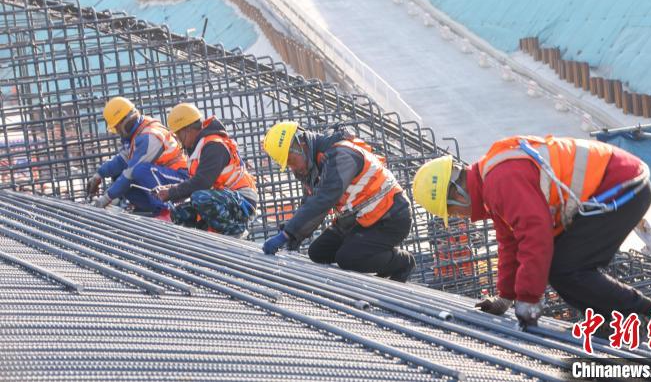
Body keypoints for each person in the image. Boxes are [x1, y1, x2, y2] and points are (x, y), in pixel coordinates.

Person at [412, 135, 651, 328]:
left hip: (623, 187)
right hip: (615, 185)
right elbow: (510, 243)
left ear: (457, 193)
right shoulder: (491, 185)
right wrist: (507, 297)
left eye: (454, 212)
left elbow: (536, 236)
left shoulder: (501, 182)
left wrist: (529, 298)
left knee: (566, 268)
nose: (461, 218)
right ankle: (610, 323)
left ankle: (649, 313)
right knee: (561, 267)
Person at [260, 121, 415, 282]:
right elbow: (310, 203)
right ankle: (368, 253)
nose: (293, 168)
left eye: (291, 160)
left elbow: (324, 199)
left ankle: (402, 262)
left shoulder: (341, 155)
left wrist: (287, 234)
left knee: (347, 258)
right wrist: (293, 238)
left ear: (302, 145)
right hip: (360, 219)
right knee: (318, 252)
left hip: (390, 217)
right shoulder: (314, 164)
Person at [153, 103, 257, 237]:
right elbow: (197, 184)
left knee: (200, 198)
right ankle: (201, 240)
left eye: (178, 135)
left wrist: (171, 191)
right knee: (180, 211)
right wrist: (170, 190)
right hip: (224, 198)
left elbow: (202, 182)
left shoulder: (213, 145)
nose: (178, 140)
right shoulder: (199, 147)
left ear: (187, 130)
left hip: (243, 200)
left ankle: (235, 231)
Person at [87, 97, 188, 216]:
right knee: (121, 176)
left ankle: (166, 212)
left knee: (139, 171)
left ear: (125, 122)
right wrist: (99, 175)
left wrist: (105, 199)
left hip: (179, 180)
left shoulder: (149, 137)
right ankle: (152, 210)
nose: (117, 131)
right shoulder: (137, 133)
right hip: (162, 178)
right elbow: (121, 160)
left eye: (117, 127)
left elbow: (130, 174)